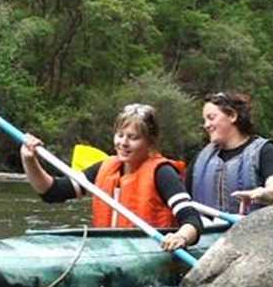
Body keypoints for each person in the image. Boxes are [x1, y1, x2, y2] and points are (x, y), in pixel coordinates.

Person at [20, 103, 202, 252]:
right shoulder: (105, 167)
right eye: (120, 135)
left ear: (150, 141)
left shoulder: (163, 173)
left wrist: (180, 237)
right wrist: (29, 160)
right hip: (109, 251)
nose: (123, 143)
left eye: (133, 137)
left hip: (149, 250)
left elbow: (192, 220)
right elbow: (52, 192)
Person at [189, 92, 273, 214]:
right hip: (208, 231)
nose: (206, 125)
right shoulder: (201, 159)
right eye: (204, 120)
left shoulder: (265, 150)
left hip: (253, 231)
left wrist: (261, 193)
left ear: (232, 116)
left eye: (211, 118)